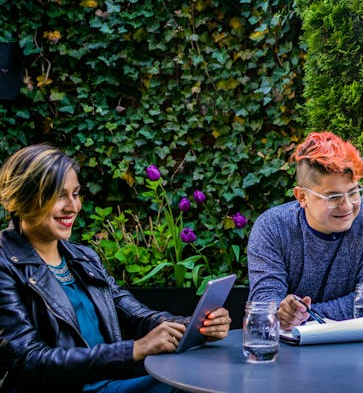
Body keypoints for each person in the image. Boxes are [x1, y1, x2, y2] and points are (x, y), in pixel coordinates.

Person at [0, 144, 232, 392]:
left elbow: (137, 316)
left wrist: (196, 327)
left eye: (75, 194)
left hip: (111, 382)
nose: (72, 207)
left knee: (204, 373)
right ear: (23, 198)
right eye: (59, 196)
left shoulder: (83, 258)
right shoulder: (5, 264)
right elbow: (28, 360)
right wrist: (134, 349)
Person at [247, 131, 363, 329]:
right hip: (291, 354)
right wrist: (280, 312)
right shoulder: (272, 227)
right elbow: (264, 305)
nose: (347, 206)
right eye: (333, 197)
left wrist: (302, 317)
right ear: (301, 197)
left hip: (359, 351)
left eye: (354, 192)